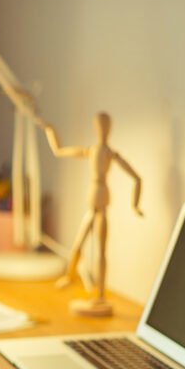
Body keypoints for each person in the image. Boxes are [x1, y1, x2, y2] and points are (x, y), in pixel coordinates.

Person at [43, 112, 142, 316]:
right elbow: (60, 151)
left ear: (109, 129)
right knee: (78, 242)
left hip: (103, 200)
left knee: (101, 249)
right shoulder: (92, 150)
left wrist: (135, 205)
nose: (101, 130)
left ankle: (101, 294)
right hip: (92, 199)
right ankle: (70, 276)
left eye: (104, 126)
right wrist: (49, 131)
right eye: (99, 126)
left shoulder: (110, 154)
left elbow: (137, 178)